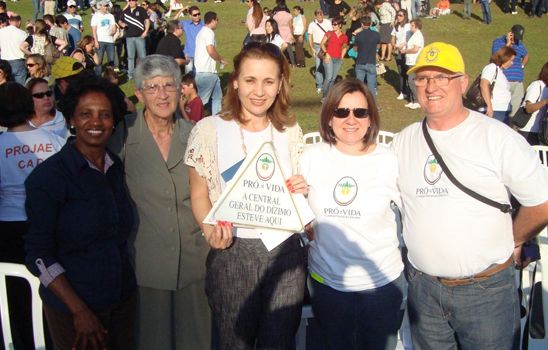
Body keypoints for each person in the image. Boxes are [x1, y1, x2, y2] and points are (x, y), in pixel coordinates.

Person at [391, 42, 548, 350]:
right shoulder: (402, 142)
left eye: (442, 77)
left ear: (463, 82)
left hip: (486, 293)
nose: (430, 87)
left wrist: (516, 239)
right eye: (422, 78)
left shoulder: (496, 137)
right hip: (423, 290)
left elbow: (546, 203)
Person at [185, 42, 306, 350]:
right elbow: (199, 194)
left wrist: (302, 188)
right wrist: (210, 231)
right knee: (233, 343)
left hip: (285, 252)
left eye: (269, 81)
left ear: (280, 85)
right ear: (235, 80)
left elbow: (299, 187)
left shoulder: (290, 130)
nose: (259, 91)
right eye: (250, 80)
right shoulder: (209, 130)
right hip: (232, 253)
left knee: (279, 343)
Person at [107, 55, 211, 350]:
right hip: (144, 265)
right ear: (138, 93)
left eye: (169, 85)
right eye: (152, 87)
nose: (162, 94)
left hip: (195, 265)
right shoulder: (122, 136)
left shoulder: (197, 135)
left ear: (181, 90)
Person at [24, 76, 136, 350]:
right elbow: (38, 254)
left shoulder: (115, 168)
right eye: (86, 114)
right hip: (75, 312)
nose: (96, 122)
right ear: (71, 120)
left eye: (104, 115)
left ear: (114, 121)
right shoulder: (49, 178)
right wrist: (79, 311)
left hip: (121, 302)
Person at [301, 78, 404, 350]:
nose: (351, 119)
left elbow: (417, 213)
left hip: (380, 285)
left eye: (360, 112)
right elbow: (290, 210)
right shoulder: (310, 157)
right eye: (341, 111)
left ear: (371, 119)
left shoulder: (389, 160)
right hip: (327, 285)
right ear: (329, 117)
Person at [0, 82, 65, 350]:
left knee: (15, 294)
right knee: (53, 291)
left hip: (9, 229)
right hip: (50, 225)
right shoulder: (55, 142)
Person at [517, 60, 548, 145]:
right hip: (529, 130)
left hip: (542, 132)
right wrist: (546, 101)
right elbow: (528, 108)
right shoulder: (537, 85)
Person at [491, 24, 529, 118]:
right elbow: (497, 57)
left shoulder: (519, 44)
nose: (516, 40)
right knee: (502, 109)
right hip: (504, 81)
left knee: (515, 112)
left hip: (518, 83)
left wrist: (522, 65)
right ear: (510, 33)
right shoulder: (498, 42)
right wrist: (508, 44)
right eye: (515, 37)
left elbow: (526, 55)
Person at [194, 11, 226, 115]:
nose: (217, 22)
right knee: (201, 102)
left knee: (217, 97)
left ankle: (216, 120)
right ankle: (192, 120)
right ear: (212, 20)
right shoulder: (209, 32)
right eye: (217, 20)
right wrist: (220, 59)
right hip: (206, 72)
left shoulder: (201, 32)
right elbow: (211, 50)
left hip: (210, 72)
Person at [480, 46, 516, 124]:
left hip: (501, 111)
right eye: (511, 60)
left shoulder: (500, 71)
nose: (512, 63)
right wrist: (489, 107)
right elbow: (484, 84)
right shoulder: (492, 67)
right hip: (495, 110)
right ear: (504, 58)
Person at [119, 0, 150, 80]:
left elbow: (147, 20)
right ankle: (130, 74)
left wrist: (146, 31)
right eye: (130, 1)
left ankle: (144, 74)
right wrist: (122, 24)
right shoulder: (125, 11)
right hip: (129, 37)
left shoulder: (141, 9)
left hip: (140, 37)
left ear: (136, 2)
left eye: (133, 1)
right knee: (130, 57)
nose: (131, 2)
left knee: (142, 56)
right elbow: (120, 21)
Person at [320, 16, 348, 99]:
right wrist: (326, 53)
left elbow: (345, 47)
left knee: (333, 79)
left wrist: (342, 57)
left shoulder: (344, 37)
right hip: (329, 58)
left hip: (338, 60)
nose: (333, 26)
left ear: (340, 25)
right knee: (328, 78)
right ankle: (324, 97)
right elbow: (322, 44)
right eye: (332, 24)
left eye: (335, 24)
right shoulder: (329, 33)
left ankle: (329, 95)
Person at [353, 16, 379, 99]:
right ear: (371, 24)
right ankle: (373, 106)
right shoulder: (376, 35)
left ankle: (358, 104)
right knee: (371, 86)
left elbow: (355, 49)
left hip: (360, 62)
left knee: (359, 86)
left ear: (361, 24)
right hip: (371, 62)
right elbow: (378, 46)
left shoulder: (358, 35)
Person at [307, 9, 332, 95]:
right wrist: (312, 48)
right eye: (318, 15)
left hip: (327, 46)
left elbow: (331, 33)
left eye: (321, 14)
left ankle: (327, 83)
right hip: (317, 46)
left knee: (327, 65)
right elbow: (310, 36)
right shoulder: (312, 24)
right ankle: (319, 86)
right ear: (315, 16)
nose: (320, 16)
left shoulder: (328, 22)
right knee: (318, 66)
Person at [400, 18, 423, 109]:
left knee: (411, 81)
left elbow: (415, 49)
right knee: (410, 81)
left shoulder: (418, 36)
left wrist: (405, 51)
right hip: (409, 61)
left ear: (417, 26)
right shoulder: (413, 35)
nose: (410, 27)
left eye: (412, 25)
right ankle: (412, 100)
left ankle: (417, 101)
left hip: (414, 62)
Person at [0, 15, 28, 85]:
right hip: (18, 61)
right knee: (20, 86)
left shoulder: (1, 32)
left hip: (4, 61)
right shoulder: (23, 33)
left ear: (9, 21)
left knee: (5, 85)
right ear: (19, 22)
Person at [175, 5, 203, 74]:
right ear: (190, 16)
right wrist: (182, 10)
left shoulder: (204, 24)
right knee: (189, 76)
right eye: (195, 15)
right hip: (189, 54)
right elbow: (174, 21)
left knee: (199, 75)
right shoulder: (186, 24)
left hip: (201, 55)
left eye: (199, 14)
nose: (197, 16)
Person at [91, 0, 116, 75]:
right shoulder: (95, 16)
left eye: (107, 5)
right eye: (105, 6)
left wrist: (113, 31)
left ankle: (111, 77)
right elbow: (94, 30)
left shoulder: (110, 16)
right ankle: (97, 78)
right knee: (99, 61)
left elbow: (113, 27)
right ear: (100, 6)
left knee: (111, 60)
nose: (106, 7)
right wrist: (96, 41)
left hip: (110, 41)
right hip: (100, 41)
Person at [392, 9, 410, 100]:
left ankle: (409, 91)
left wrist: (400, 46)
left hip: (406, 52)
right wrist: (394, 45)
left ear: (405, 16)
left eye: (400, 15)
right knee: (401, 72)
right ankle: (403, 92)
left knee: (407, 72)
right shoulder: (396, 26)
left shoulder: (407, 26)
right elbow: (392, 37)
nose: (398, 17)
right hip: (398, 52)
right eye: (397, 15)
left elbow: (408, 39)